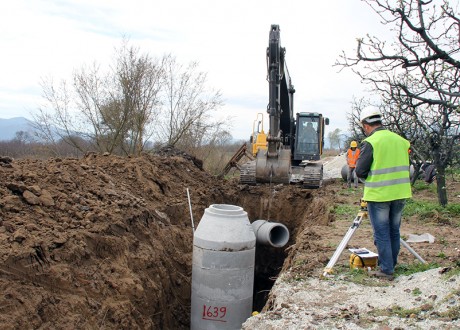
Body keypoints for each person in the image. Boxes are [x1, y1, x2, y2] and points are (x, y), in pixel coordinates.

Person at [355, 107, 412, 280]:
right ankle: (391, 264)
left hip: (379, 195)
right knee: (394, 231)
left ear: (366, 126)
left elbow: (360, 170)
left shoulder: (371, 142)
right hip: (400, 192)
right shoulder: (401, 141)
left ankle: (386, 270)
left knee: (382, 232)